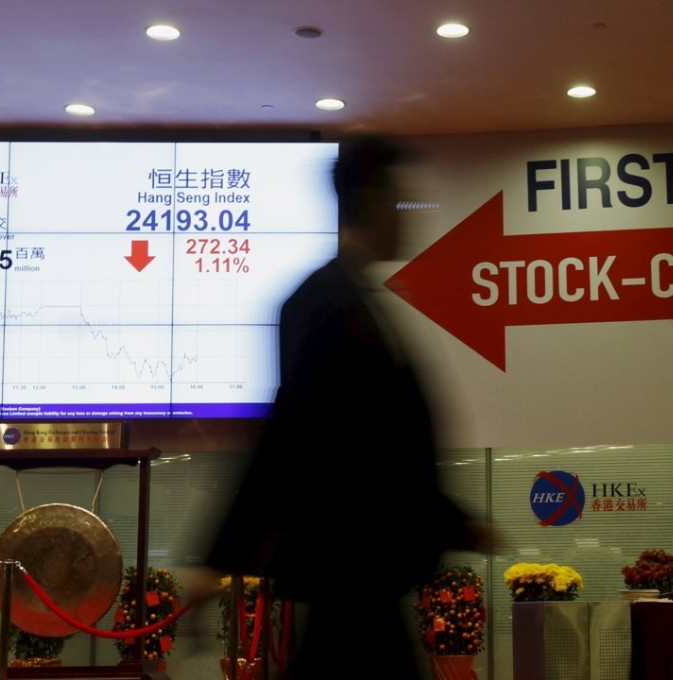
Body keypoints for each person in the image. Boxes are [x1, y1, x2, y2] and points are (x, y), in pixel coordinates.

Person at [201, 135, 494, 679]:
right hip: (349, 569)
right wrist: (220, 555)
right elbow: (289, 434)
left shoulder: (358, 300)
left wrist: (453, 520)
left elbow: (382, 443)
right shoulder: (322, 302)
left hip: (368, 576)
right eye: (402, 201)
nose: (410, 217)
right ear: (375, 199)